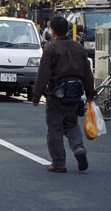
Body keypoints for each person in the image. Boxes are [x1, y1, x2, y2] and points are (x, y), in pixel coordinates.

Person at [32, 16, 95, 173]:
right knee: (71, 125)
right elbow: (87, 73)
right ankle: (79, 150)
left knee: (55, 129)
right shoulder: (78, 48)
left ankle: (59, 163)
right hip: (74, 95)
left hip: (56, 95)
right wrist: (90, 93)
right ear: (67, 29)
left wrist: (35, 96)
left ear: (52, 30)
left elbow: (43, 74)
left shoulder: (51, 48)